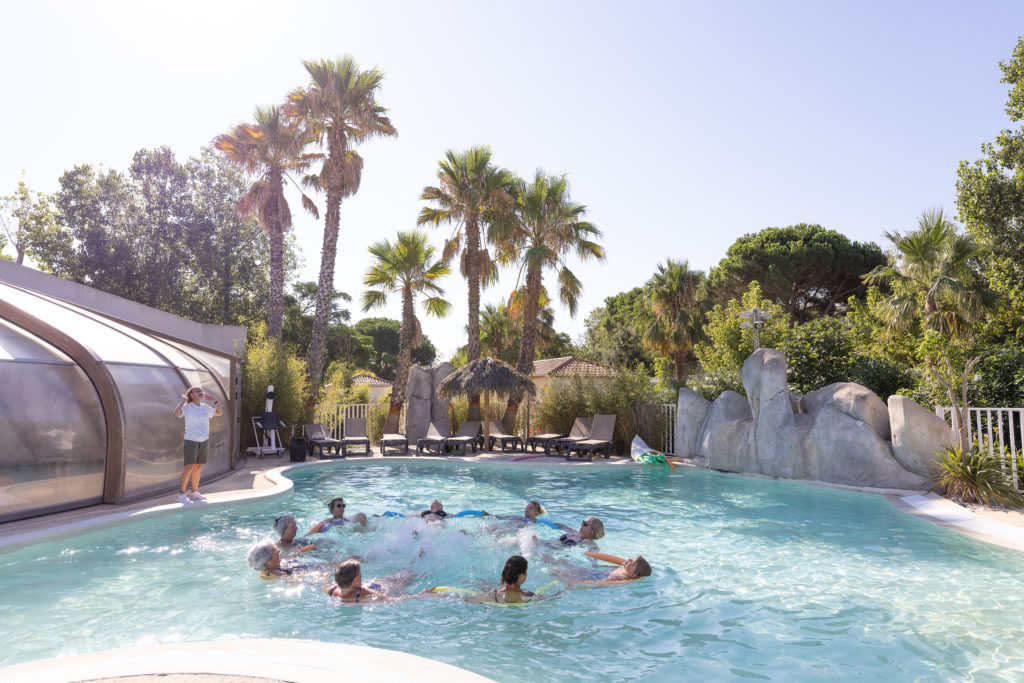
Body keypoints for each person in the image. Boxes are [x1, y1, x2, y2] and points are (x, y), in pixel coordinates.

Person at [172, 386, 222, 503]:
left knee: (198, 467)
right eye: (197, 391)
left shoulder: (205, 407)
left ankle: (194, 492)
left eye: (200, 391)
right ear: (191, 395)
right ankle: (182, 494)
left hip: (204, 440)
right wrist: (182, 401)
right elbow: (176, 414)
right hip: (191, 440)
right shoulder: (187, 407)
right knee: (189, 467)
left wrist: (214, 401)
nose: (200, 392)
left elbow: (219, 413)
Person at [469, 555, 535, 604]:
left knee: (485, 586)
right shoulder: (529, 596)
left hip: (495, 597)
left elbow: (469, 600)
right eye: (526, 572)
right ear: (521, 575)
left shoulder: (493, 595)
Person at [245, 540, 324, 581]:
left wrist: (302, 550)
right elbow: (292, 578)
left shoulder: (274, 565)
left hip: (310, 567)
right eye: (275, 551)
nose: (279, 551)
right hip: (316, 570)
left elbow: (288, 558)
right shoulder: (277, 573)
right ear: (267, 561)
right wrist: (316, 574)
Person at [325, 559, 393, 603]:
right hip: (381, 586)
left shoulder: (332, 590)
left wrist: (327, 578)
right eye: (360, 574)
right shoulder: (363, 592)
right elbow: (390, 600)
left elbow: (325, 586)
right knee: (396, 580)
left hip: (368, 587)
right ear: (356, 579)